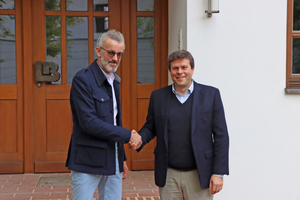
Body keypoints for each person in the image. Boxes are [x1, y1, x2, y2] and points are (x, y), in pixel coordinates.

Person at [130, 50, 229, 200]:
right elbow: (151, 127)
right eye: (175, 68)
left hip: (200, 173)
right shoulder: (158, 96)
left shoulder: (211, 95)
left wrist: (218, 173)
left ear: (192, 70)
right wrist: (140, 139)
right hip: (169, 175)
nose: (180, 72)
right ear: (170, 71)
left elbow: (221, 136)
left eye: (184, 67)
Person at [66, 29, 142, 200]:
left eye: (119, 54)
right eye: (111, 53)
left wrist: (121, 157)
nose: (115, 58)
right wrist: (128, 135)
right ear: (99, 51)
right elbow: (89, 123)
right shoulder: (83, 79)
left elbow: (115, 121)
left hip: (112, 158)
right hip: (87, 160)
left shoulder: (114, 81)